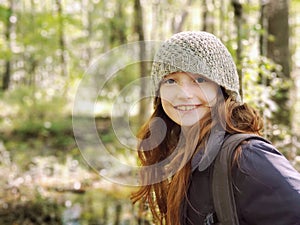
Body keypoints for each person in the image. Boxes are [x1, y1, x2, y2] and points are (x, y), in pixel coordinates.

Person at [131, 31, 300, 225]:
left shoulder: (246, 156)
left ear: (223, 90)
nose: (183, 94)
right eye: (170, 80)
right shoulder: (182, 157)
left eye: (200, 80)